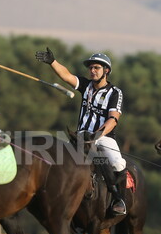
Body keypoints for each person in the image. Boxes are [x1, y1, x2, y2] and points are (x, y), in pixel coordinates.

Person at [35, 47, 127, 216]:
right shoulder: (86, 86)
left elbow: (113, 120)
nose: (92, 71)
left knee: (117, 163)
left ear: (106, 70)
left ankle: (117, 198)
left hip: (102, 137)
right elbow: (66, 75)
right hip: (80, 137)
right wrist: (52, 62)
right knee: (57, 158)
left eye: (97, 68)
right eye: (91, 68)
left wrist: (96, 136)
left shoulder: (114, 93)